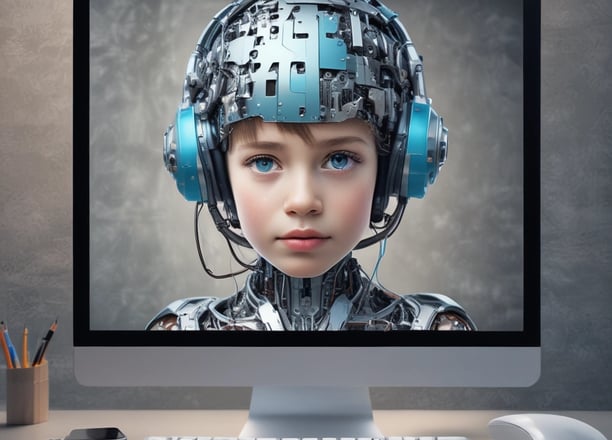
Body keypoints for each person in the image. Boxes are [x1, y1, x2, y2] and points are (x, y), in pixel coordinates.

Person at [147, 0, 476, 331]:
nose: (303, 201)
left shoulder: (434, 329)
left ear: (393, 167)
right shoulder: (183, 330)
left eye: (338, 159)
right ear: (211, 170)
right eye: (264, 162)